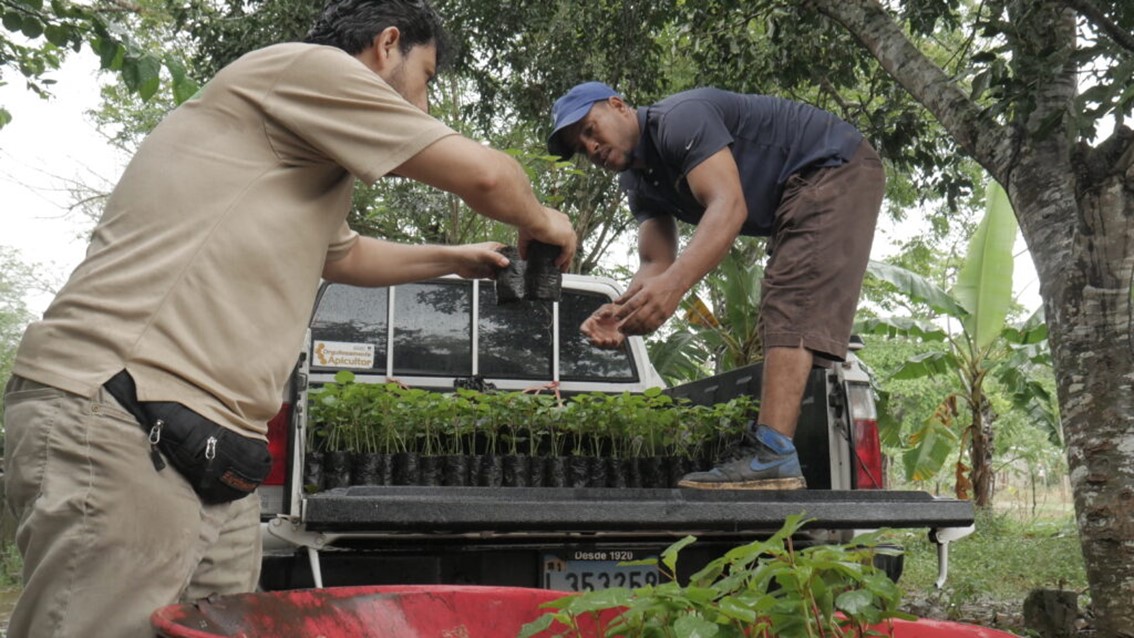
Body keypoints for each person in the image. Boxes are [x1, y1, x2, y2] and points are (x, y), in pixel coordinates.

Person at [1, 1, 576, 636]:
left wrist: (454, 258)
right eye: (429, 75)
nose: (427, 103)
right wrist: (545, 220)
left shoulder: (305, 151)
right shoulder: (306, 70)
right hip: (125, 408)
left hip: (212, 449)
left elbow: (344, 253)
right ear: (388, 45)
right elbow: (488, 177)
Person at [548, 82, 883, 491]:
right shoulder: (637, 184)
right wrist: (622, 313)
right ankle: (773, 450)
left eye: (588, 129)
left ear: (619, 107)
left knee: (792, 297)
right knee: (788, 306)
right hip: (798, 190)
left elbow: (729, 206)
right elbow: (656, 261)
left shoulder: (679, 120)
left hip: (831, 165)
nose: (590, 147)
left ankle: (774, 454)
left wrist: (673, 288)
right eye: (580, 147)